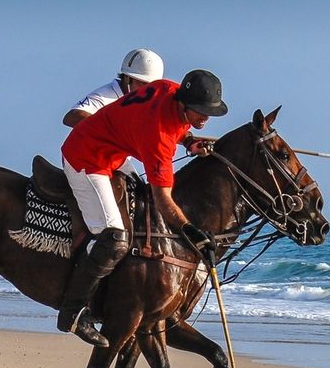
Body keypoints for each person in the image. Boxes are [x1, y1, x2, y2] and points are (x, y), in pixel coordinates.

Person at [56, 69, 227, 346]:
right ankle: (72, 313)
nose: (206, 118)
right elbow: (164, 201)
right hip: (87, 158)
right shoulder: (158, 139)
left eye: (211, 111)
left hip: (113, 152)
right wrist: (190, 231)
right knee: (113, 238)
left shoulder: (168, 88)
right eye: (201, 111)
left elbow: (174, 124)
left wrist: (188, 140)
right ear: (184, 103)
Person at [62, 48, 165, 128]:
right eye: (142, 83)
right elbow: (72, 117)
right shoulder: (106, 95)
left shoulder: (151, 101)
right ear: (127, 78)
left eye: (151, 85)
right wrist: (115, 129)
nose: (146, 90)